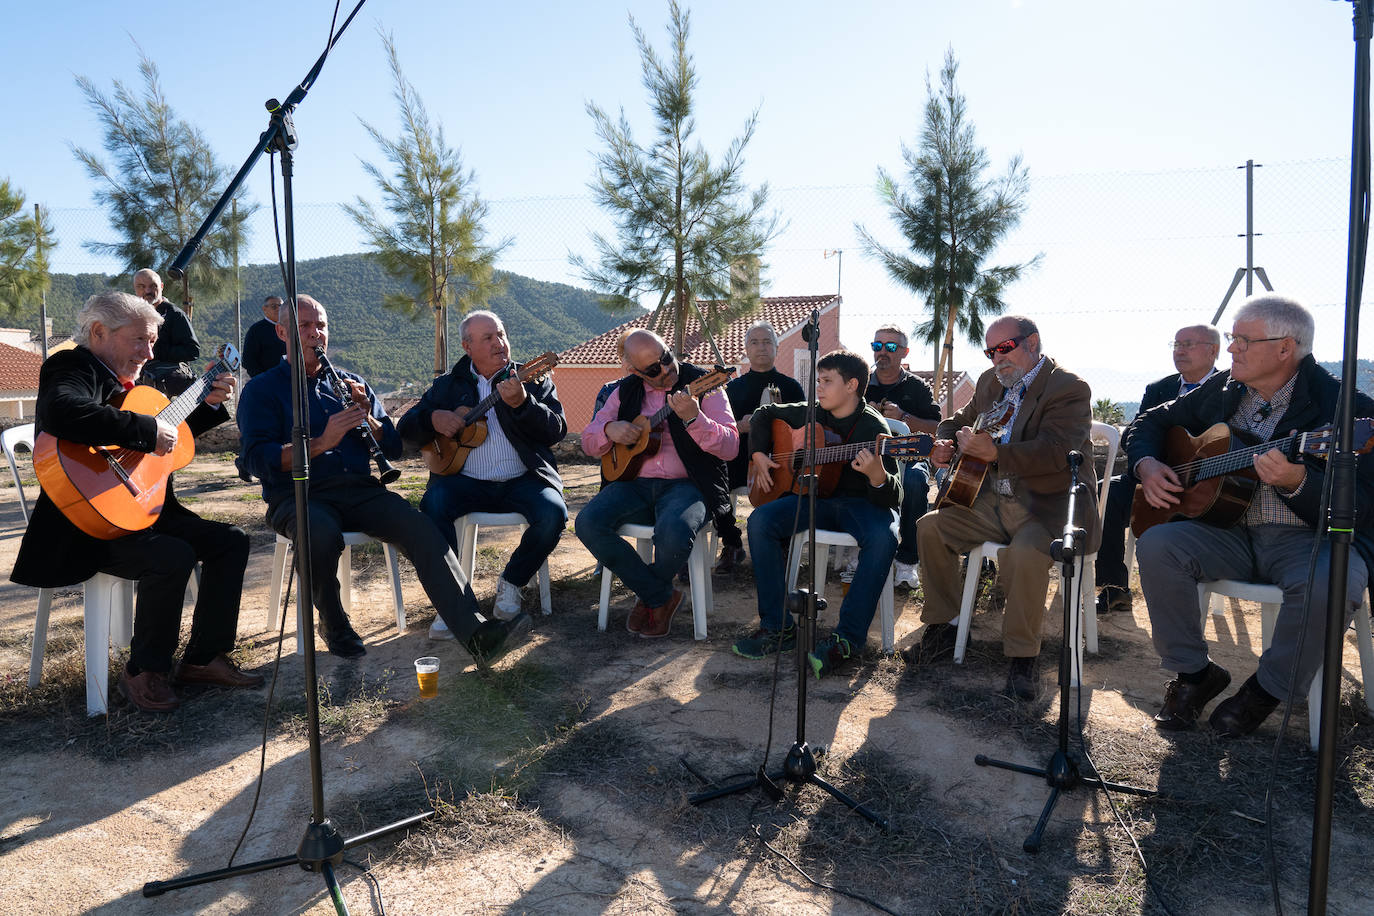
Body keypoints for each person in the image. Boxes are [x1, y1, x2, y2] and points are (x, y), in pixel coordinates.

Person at [237, 294, 530, 664]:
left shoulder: (350, 382)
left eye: (321, 326)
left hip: (359, 491)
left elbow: (393, 446)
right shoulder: (261, 390)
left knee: (422, 528)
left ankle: (475, 632)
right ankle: (335, 623)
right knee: (319, 535)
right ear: (282, 332)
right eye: (305, 327)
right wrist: (322, 442)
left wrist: (371, 421)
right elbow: (256, 460)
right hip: (299, 494)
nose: (316, 335)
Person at [1130, 294, 1373, 738]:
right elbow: (1149, 422)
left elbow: (1365, 502)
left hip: (1306, 539)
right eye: (1231, 338)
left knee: (1333, 579)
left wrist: (1298, 481)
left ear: (1286, 348)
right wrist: (1147, 464)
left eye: (1243, 339)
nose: (1231, 349)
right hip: (1229, 530)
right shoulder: (1224, 388)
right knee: (1158, 544)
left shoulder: (1344, 409)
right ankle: (1193, 674)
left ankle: (1266, 691)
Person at [10, 291, 261, 713]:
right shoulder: (70, 365)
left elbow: (164, 442)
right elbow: (63, 412)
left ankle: (202, 658)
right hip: (87, 524)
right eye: (139, 341)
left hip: (142, 508)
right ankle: (145, 671)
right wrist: (145, 430)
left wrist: (208, 404)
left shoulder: (130, 382)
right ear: (99, 332)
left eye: (152, 342)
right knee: (171, 555)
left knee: (231, 540)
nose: (148, 352)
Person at [910, 315, 1099, 701]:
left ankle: (1022, 656)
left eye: (1005, 348)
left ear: (1032, 343)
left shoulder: (1068, 388)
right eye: (990, 351)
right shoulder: (989, 382)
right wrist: (943, 445)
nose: (998, 358)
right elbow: (954, 422)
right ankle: (943, 627)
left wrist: (996, 453)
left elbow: (1059, 451)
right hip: (991, 499)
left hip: (1046, 506)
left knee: (1026, 554)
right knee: (931, 527)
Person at [398, 310, 568, 639]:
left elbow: (556, 430)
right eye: (488, 338)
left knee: (554, 513)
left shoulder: (531, 378)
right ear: (467, 346)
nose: (499, 343)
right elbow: (406, 431)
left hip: (524, 479)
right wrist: (434, 418)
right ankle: (453, 604)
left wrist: (523, 404)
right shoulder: (447, 386)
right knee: (433, 506)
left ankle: (512, 581)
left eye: (501, 335)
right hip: (464, 481)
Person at [732, 349, 901, 677]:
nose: (818, 389)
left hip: (861, 504)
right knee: (760, 520)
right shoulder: (812, 411)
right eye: (818, 381)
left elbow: (895, 495)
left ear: (852, 385)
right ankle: (778, 628)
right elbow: (765, 413)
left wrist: (877, 476)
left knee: (884, 537)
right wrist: (758, 454)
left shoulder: (874, 427)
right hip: (815, 498)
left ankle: (848, 640)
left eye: (826, 381)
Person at [576, 329, 739, 638]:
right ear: (633, 371)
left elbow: (731, 446)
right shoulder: (624, 392)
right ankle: (661, 595)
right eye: (653, 369)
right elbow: (588, 440)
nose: (665, 370)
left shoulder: (703, 384)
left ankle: (650, 596)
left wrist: (695, 419)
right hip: (632, 484)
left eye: (666, 358)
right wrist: (609, 429)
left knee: (673, 532)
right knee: (587, 523)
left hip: (688, 485)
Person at [1095, 324, 1223, 615]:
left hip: (1203, 484)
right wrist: (1149, 463)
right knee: (1108, 491)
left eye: (1189, 344)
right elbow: (1133, 434)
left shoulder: (1229, 391)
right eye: (1176, 344)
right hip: (1153, 477)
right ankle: (1114, 588)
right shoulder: (1159, 389)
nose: (1180, 350)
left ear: (1213, 350)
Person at [719, 320, 805, 573]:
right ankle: (732, 543)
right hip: (738, 459)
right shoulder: (732, 388)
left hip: (779, 459)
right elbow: (719, 429)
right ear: (746, 348)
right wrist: (740, 426)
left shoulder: (791, 387)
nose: (761, 347)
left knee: (794, 480)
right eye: (754, 342)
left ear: (777, 348)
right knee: (715, 481)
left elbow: (804, 429)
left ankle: (782, 543)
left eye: (767, 342)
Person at [864, 324, 941, 589]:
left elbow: (936, 427)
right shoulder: (860, 384)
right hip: (870, 456)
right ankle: (859, 553)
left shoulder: (917, 387)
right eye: (877, 346)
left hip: (910, 459)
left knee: (915, 483)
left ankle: (907, 561)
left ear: (904, 352)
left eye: (890, 346)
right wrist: (865, 413)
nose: (882, 352)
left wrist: (904, 418)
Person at [133, 268, 200, 395]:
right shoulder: (133, 315)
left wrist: (158, 351)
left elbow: (193, 351)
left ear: (162, 286)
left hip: (166, 383)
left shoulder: (175, 314)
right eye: (141, 286)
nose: (148, 291)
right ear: (135, 289)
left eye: (153, 286)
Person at [242, 295, 287, 378]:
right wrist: (262, 379)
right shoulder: (256, 330)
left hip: (290, 380)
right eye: (274, 306)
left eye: (281, 306)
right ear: (264, 309)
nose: (278, 309)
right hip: (267, 382)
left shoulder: (291, 328)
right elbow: (248, 360)